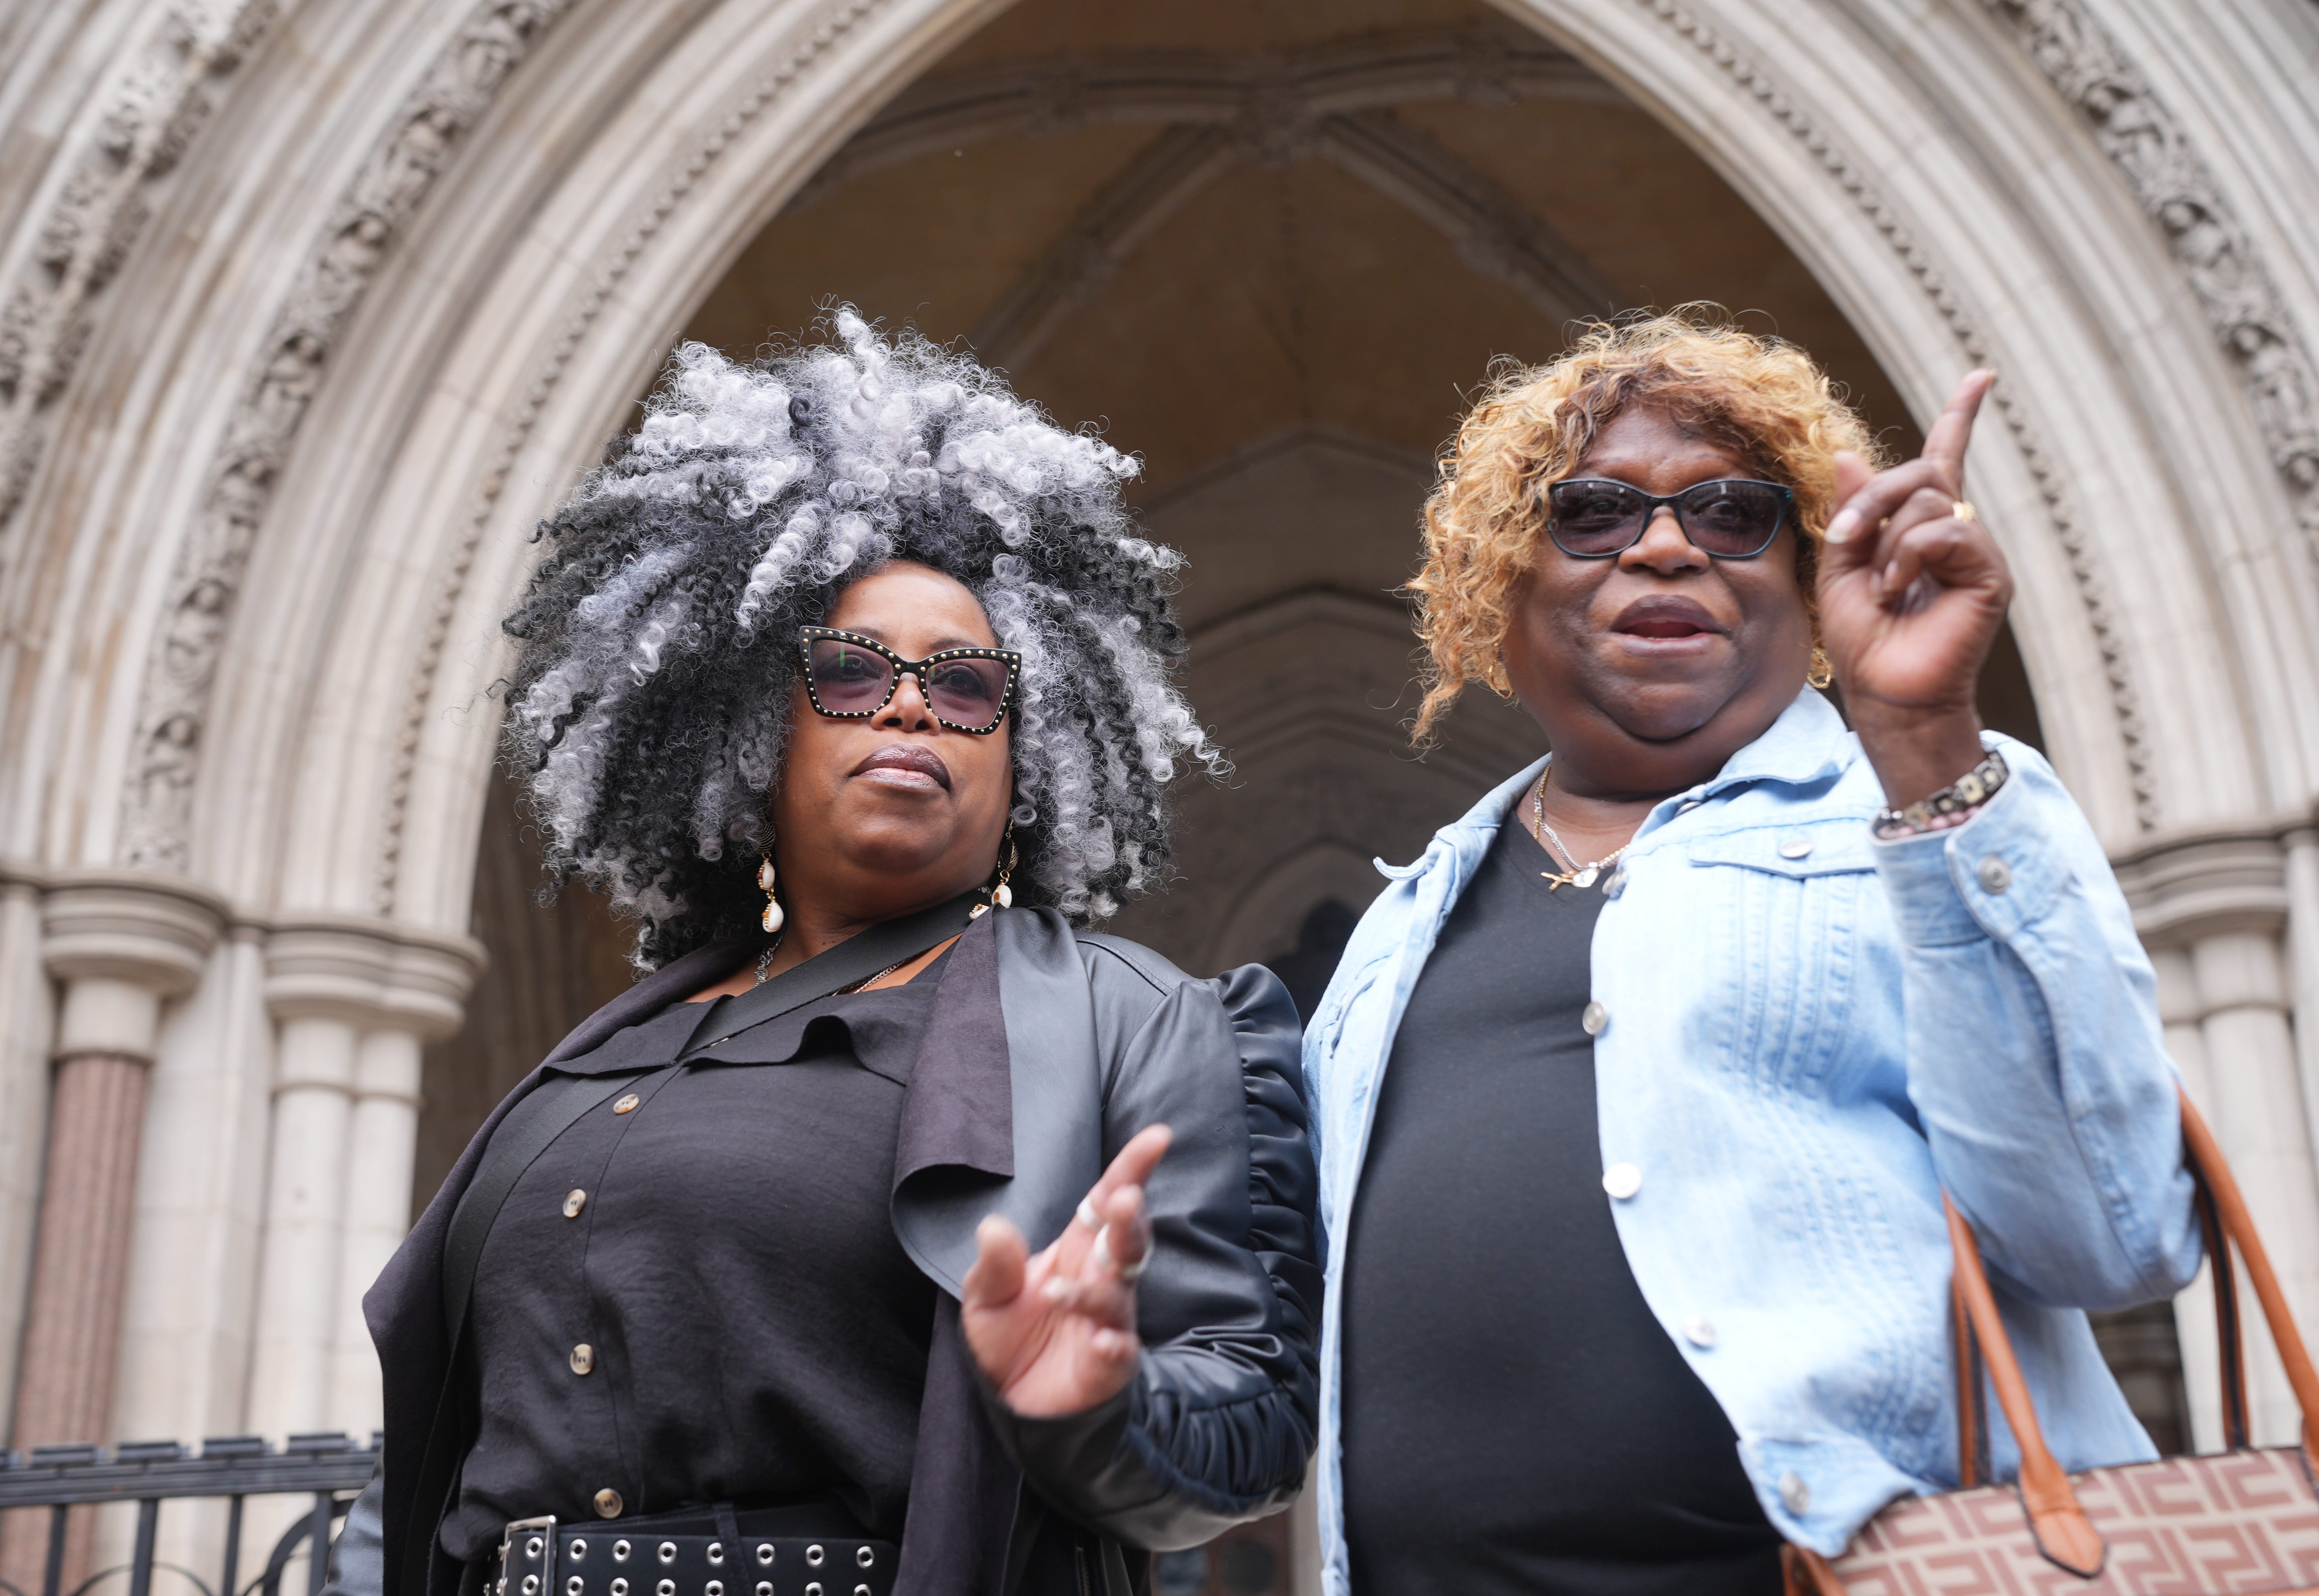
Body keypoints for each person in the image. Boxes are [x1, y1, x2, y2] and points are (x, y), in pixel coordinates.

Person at [324, 310, 1321, 1596]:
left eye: (968, 687)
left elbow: (1250, 1435)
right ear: (748, 724)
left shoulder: (1141, 1025)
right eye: (852, 672)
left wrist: (1100, 1405)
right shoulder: (616, 1050)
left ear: (1028, 759)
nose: (912, 703)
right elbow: (449, 1447)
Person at [1301, 314, 2200, 1595]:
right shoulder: (1403, 921)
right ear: (1500, 587)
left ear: (1810, 571)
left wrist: (1929, 740)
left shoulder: (1922, 815)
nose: (1666, 543)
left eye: (1735, 514)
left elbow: (2114, 1241)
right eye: (1593, 512)